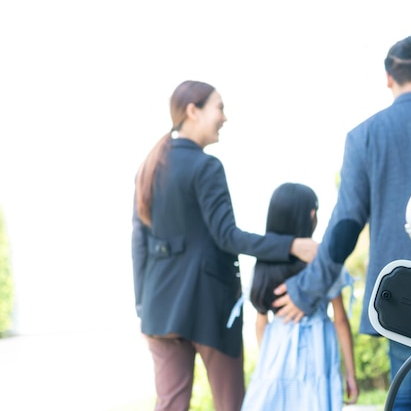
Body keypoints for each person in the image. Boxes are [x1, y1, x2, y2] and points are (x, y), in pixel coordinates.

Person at [272, 36, 411, 410]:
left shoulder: (365, 136)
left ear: (388, 79)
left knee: (409, 401)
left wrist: (308, 289)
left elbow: (346, 226)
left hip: (408, 296)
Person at [131, 80, 318, 411]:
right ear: (193, 111)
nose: (224, 117)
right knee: (230, 403)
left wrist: (143, 307)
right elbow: (227, 237)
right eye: (219, 107)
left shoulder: (150, 166)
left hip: (159, 307)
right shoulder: (206, 166)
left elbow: (140, 242)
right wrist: (292, 245)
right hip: (208, 306)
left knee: (170, 404)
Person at [241, 183, 359, 411]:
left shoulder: (263, 263)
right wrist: (350, 374)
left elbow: (260, 322)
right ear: (311, 215)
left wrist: (268, 362)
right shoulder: (323, 260)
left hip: (277, 344)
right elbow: (340, 320)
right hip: (318, 345)